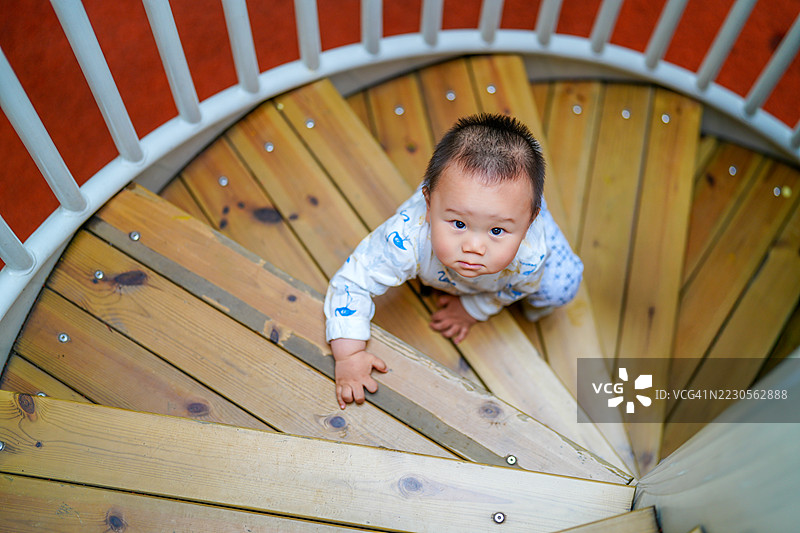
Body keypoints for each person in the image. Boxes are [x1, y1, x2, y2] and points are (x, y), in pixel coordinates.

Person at [324, 113, 583, 409]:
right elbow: (353, 282)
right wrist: (349, 354)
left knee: (563, 287)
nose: (473, 247)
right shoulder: (407, 237)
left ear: (529, 223)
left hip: (509, 222)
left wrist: (473, 308)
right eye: (458, 224)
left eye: (496, 231)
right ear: (429, 202)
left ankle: (499, 209)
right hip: (469, 206)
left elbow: (517, 288)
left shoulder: (530, 253)